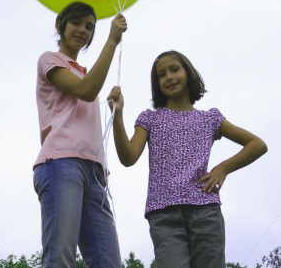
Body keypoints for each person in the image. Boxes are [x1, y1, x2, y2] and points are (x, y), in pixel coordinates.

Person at [107, 50, 268, 268]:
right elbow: (128, 157)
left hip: (205, 212)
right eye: (161, 75)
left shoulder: (210, 119)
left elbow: (257, 145)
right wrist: (117, 115)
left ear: (188, 73)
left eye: (174, 69)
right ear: (157, 84)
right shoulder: (150, 119)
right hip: (164, 216)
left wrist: (223, 168)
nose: (169, 77)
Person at [33, 1, 127, 268]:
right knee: (61, 257)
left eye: (90, 27)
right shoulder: (50, 60)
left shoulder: (86, 74)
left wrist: (114, 109)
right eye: (76, 23)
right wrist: (112, 41)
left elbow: (88, 93)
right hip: (61, 164)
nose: (83, 30)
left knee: (109, 262)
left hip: (95, 173)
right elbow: (86, 90)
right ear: (60, 26)